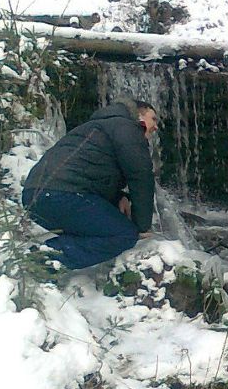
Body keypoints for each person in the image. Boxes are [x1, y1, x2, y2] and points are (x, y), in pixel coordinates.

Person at [22, 98, 158, 270]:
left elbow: (91, 174)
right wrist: (141, 226)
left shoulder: (97, 127)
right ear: (139, 115)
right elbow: (141, 176)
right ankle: (39, 261)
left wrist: (119, 198)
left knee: (92, 231)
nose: (156, 126)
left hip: (35, 196)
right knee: (124, 234)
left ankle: (41, 258)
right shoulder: (127, 127)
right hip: (61, 194)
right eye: (153, 118)